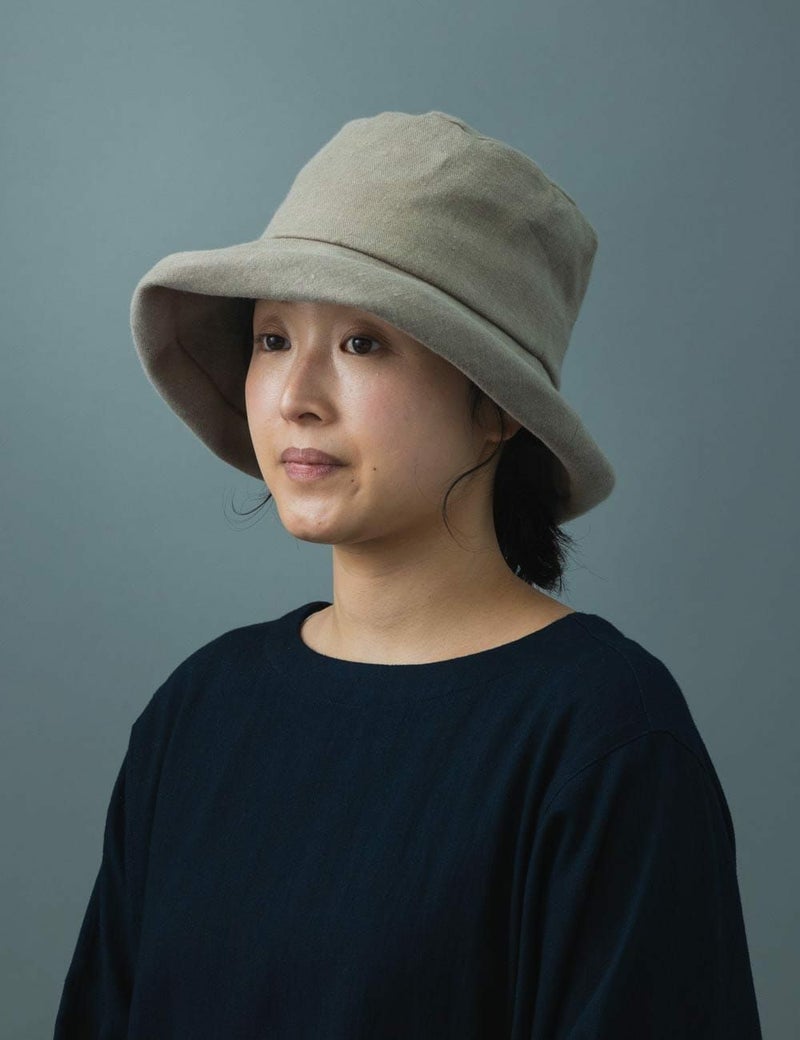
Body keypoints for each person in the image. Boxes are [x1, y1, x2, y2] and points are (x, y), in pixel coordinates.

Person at [53, 110, 763, 1038]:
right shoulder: (198, 711)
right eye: (272, 338)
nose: (296, 397)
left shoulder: (605, 738)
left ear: (497, 406)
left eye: (363, 342)